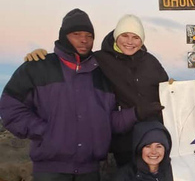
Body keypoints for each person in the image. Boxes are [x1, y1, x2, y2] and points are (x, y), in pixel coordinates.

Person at [0, 9, 138, 181]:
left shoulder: (102, 74)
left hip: (89, 173)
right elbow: (10, 107)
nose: (84, 40)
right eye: (77, 35)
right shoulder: (38, 67)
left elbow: (109, 119)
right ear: (64, 36)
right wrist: (45, 131)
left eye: (89, 36)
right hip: (50, 171)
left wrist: (139, 112)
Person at [25, 14, 169, 167]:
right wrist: (40, 55)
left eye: (136, 37)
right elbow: (71, 60)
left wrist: (173, 86)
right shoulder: (99, 59)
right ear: (116, 37)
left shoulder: (151, 61)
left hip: (154, 135)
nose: (129, 42)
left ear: (142, 40)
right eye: (125, 35)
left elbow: (166, 90)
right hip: (123, 139)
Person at [100, 121, 189, 181]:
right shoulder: (123, 179)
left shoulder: (175, 173)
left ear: (166, 149)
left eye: (159, 146)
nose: (154, 152)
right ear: (139, 148)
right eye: (148, 146)